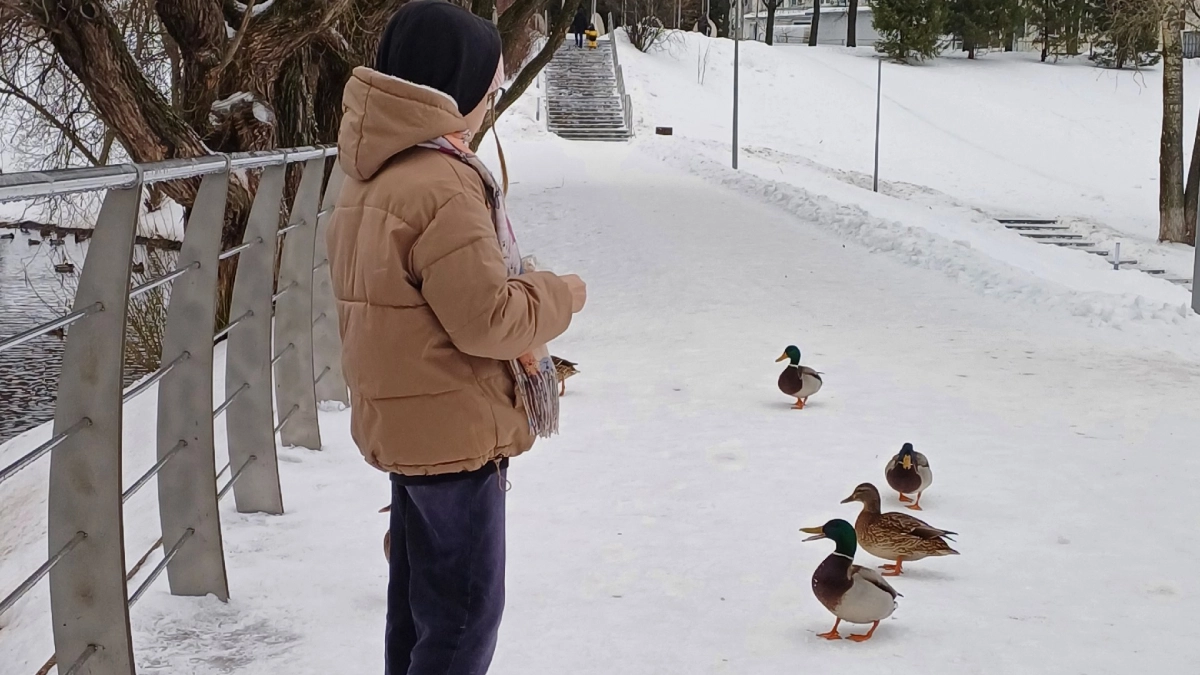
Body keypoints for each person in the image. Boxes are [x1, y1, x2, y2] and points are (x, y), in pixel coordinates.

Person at [326, 1, 587, 673]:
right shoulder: (442, 181)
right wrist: (561, 293)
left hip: (408, 425)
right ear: (455, 87)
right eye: (490, 88)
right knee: (466, 614)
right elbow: (490, 318)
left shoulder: (371, 172)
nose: (490, 103)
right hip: (453, 434)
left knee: (416, 606)